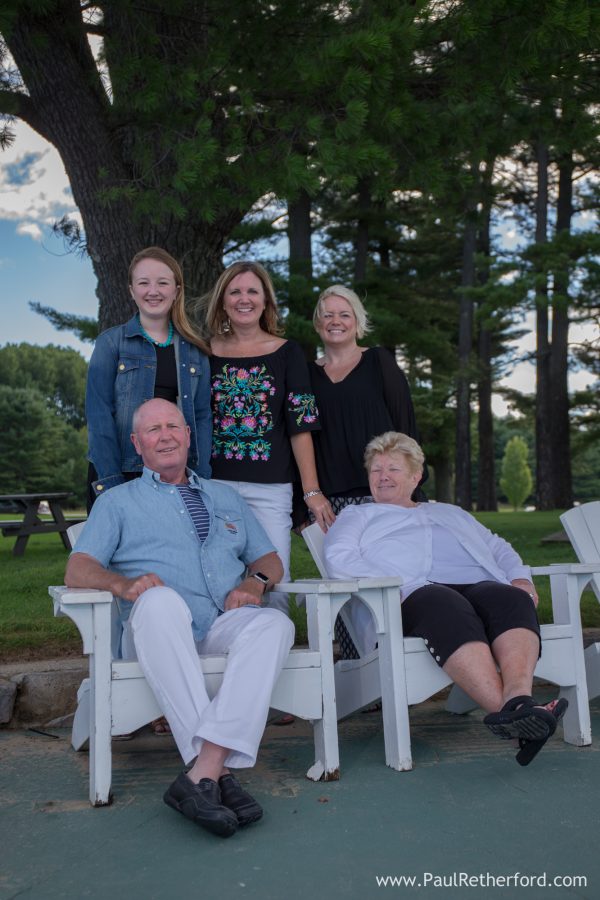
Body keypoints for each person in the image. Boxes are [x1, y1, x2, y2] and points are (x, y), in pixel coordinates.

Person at [65, 398, 294, 838]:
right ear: (137, 444)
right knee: (160, 600)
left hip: (220, 623)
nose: (165, 436)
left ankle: (204, 773)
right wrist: (122, 585)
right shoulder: (117, 502)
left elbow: (267, 557)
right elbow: (78, 568)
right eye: (153, 430)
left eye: (173, 426)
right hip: (155, 632)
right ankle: (219, 776)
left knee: (274, 625)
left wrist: (256, 583)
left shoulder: (225, 497)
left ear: (188, 436)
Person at [324, 431, 568, 766]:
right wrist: (391, 587)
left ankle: (518, 704)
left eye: (393, 469)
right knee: (444, 603)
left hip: (475, 585)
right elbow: (338, 557)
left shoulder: (450, 512)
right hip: (408, 595)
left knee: (511, 599)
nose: (382, 477)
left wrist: (520, 578)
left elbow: (498, 546)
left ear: (415, 476)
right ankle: (518, 718)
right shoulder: (358, 515)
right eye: (376, 470)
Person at [207, 261, 335, 614]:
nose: (244, 299)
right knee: (219, 577)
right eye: (235, 291)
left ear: (266, 301)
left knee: (275, 580)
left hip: (271, 487)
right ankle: (222, 642)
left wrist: (311, 491)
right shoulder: (204, 351)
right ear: (222, 301)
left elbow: (301, 423)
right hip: (214, 485)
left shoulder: (288, 352)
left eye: (252, 291)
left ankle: (278, 640)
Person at [86, 246, 212, 509]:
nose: (153, 291)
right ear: (132, 291)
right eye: (144, 283)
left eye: (162, 283)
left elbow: (202, 418)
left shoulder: (196, 352)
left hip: (177, 477)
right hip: (122, 474)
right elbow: (99, 418)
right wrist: (112, 485)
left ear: (176, 290)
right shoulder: (110, 344)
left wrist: (200, 477)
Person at [309, 285, 426, 520]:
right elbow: (301, 440)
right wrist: (306, 500)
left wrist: (411, 488)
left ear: (357, 321)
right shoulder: (306, 375)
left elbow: (405, 429)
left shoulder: (379, 361)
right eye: (328, 315)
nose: (335, 321)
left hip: (384, 492)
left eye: (344, 315)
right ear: (318, 322)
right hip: (328, 502)